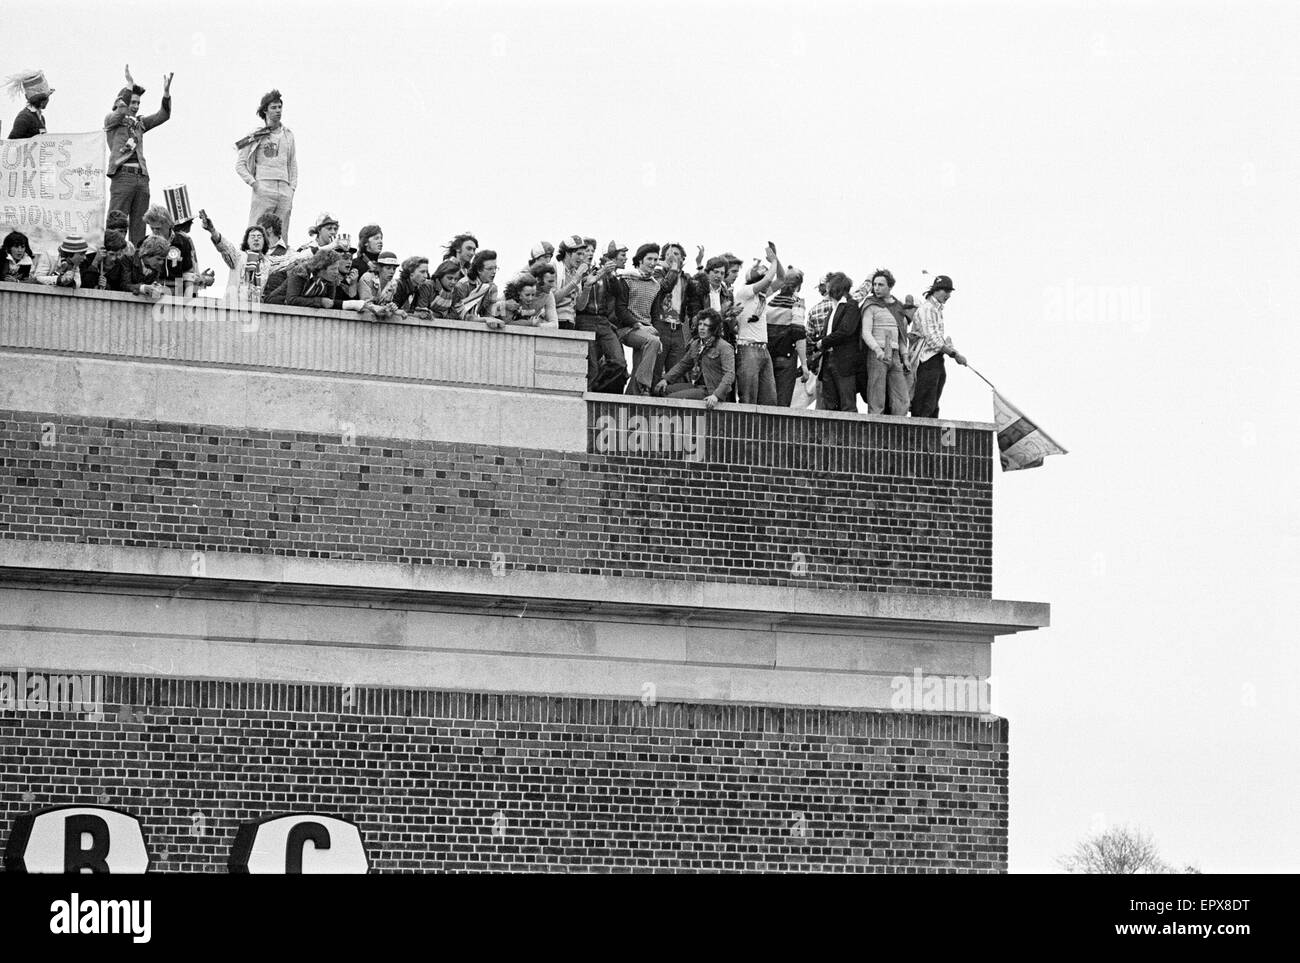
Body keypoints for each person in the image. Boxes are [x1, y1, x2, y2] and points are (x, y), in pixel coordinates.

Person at [104, 65, 174, 246]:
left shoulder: (140, 124)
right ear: (122, 103)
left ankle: (136, 264)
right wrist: (129, 85)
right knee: (116, 222)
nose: (135, 106)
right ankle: (112, 260)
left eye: (137, 103)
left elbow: (163, 115)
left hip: (142, 179)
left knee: (139, 227)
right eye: (132, 102)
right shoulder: (113, 121)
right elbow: (119, 113)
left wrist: (166, 94)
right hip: (123, 176)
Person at [234, 89, 298, 241]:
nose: (278, 111)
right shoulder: (256, 134)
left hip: (284, 188)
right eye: (273, 107)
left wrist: (292, 188)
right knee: (257, 232)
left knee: (281, 235)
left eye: (279, 107)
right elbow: (240, 165)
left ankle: (280, 264)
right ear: (265, 110)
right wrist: (255, 184)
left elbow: (292, 164)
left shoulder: (288, 134)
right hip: (264, 186)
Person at [732, 243, 784, 405]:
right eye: (762, 281)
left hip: (763, 350)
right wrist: (773, 262)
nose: (767, 283)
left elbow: (781, 279)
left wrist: (776, 259)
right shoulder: (744, 292)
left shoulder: (761, 295)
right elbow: (770, 278)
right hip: (747, 349)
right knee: (749, 397)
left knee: (769, 399)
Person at [908, 274, 966, 419]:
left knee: (933, 402)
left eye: (949, 292)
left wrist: (950, 348)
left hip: (935, 359)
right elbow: (933, 339)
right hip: (926, 360)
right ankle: (919, 433)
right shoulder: (928, 308)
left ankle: (929, 433)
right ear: (936, 290)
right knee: (924, 402)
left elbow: (937, 339)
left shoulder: (937, 310)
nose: (948, 295)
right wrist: (954, 354)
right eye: (945, 291)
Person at [857, 269, 914, 416]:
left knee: (902, 398)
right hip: (878, 353)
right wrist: (877, 350)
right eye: (875, 284)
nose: (876, 288)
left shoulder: (898, 307)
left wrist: (905, 357)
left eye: (881, 285)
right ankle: (875, 432)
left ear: (890, 286)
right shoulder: (871, 304)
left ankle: (897, 430)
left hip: (895, 354)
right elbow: (866, 332)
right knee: (876, 398)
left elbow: (902, 335)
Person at [655, 309, 735, 408]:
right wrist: (666, 379)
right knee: (662, 390)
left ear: (714, 328)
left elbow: (729, 374)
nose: (701, 328)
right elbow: (683, 365)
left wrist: (716, 395)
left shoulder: (724, 347)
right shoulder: (696, 344)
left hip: (711, 390)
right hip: (698, 386)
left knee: (671, 398)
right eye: (700, 324)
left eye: (706, 325)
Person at [618, 243, 667, 396]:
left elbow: (655, 313)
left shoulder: (656, 285)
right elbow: (621, 309)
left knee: (640, 364)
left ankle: (633, 394)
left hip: (646, 330)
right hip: (627, 328)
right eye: (649, 259)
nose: (653, 263)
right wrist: (639, 325)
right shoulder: (626, 279)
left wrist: (655, 332)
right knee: (652, 342)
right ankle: (644, 386)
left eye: (655, 259)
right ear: (640, 260)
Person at [816, 272, 868, 412]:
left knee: (847, 403)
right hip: (828, 359)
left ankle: (850, 433)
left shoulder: (850, 306)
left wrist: (823, 342)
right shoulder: (834, 307)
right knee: (830, 403)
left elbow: (846, 331)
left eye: (829, 286)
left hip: (844, 361)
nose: (827, 289)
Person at [650, 242, 695, 386]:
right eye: (668, 254)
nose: (672, 257)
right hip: (660, 325)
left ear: (683, 259)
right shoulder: (657, 273)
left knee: (675, 373)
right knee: (655, 369)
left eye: (676, 254)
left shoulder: (687, 279)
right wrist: (673, 269)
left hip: (678, 328)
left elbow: (695, 300)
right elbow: (664, 287)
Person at [764, 268, 809, 407]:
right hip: (787, 357)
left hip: (768, 357)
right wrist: (804, 364)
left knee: (768, 401)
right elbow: (798, 333)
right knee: (782, 404)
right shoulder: (798, 303)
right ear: (799, 286)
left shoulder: (770, 303)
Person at [200, 212, 271, 293]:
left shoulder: (267, 263)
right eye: (252, 236)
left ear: (264, 241)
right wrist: (212, 230)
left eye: (259, 236)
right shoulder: (239, 257)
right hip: (234, 303)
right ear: (247, 242)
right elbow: (226, 247)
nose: (256, 239)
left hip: (255, 304)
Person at [805, 274, 836, 409]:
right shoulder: (846, 305)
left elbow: (809, 340)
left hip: (823, 358)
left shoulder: (814, 311)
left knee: (823, 398)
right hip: (843, 356)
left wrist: (810, 362)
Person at [454, 250, 501, 322]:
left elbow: (490, 316)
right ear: (479, 270)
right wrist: (483, 320)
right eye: (490, 269)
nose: (494, 272)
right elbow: (458, 313)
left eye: (495, 268)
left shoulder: (492, 288)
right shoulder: (463, 285)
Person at [5, 69, 53, 139]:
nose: (48, 100)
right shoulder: (24, 118)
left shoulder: (41, 118)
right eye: (47, 97)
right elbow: (11, 143)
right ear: (42, 100)